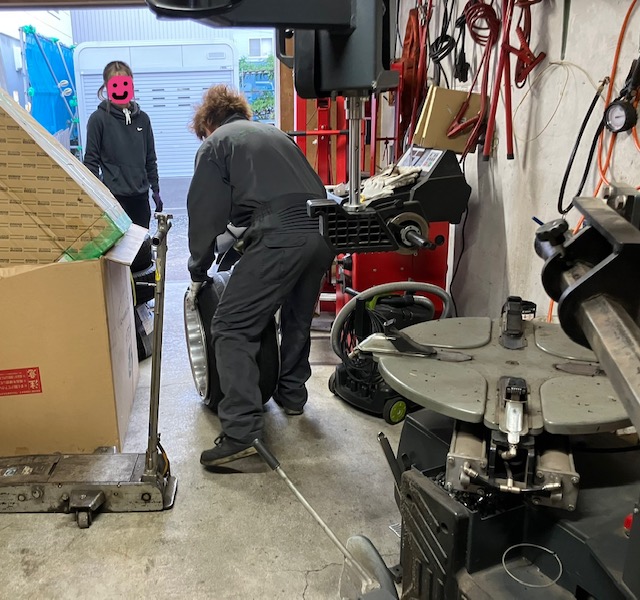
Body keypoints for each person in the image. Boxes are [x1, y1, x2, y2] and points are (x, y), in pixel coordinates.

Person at [186, 84, 335, 467]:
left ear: (208, 123)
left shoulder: (216, 144)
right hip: (321, 233)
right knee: (297, 318)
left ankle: (241, 435)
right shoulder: (275, 135)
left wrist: (198, 269)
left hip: (282, 236)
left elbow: (204, 214)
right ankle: (292, 395)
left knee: (231, 326)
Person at [83, 60, 162, 229]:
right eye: (115, 85)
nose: (120, 89)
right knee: (117, 246)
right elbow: (91, 160)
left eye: (125, 84)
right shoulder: (98, 119)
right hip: (113, 199)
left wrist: (155, 188)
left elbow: (150, 157)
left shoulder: (143, 119)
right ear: (107, 87)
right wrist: (94, 196)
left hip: (140, 199)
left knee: (141, 244)